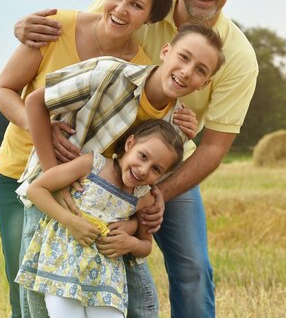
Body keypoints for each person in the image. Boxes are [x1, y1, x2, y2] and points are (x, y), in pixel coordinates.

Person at [15, 0, 259, 318]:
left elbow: (214, 147)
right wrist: (30, 35)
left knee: (192, 266)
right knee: (58, 266)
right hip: (99, 158)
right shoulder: (142, 5)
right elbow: (86, 34)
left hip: (165, 166)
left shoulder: (240, 57)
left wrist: (152, 195)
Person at [0, 0, 196, 318]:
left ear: (149, 17)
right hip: (20, 171)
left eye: (136, 5)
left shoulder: (139, 70)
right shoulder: (57, 27)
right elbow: (3, 90)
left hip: (81, 187)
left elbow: (132, 150)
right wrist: (42, 129)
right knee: (24, 287)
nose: (120, 9)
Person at [17, 23, 225, 318]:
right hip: (56, 196)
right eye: (184, 57)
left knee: (140, 305)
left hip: (106, 222)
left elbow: (146, 191)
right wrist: (56, 182)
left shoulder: (176, 128)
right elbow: (36, 100)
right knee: (43, 305)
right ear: (166, 51)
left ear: (204, 84)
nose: (187, 71)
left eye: (201, 70)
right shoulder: (110, 73)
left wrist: (134, 225)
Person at [16, 120, 184, 318]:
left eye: (156, 169)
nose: (143, 170)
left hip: (106, 278)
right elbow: (36, 189)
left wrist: (130, 243)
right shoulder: (92, 165)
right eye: (143, 156)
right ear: (130, 144)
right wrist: (70, 221)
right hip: (63, 265)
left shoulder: (143, 197)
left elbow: (146, 245)